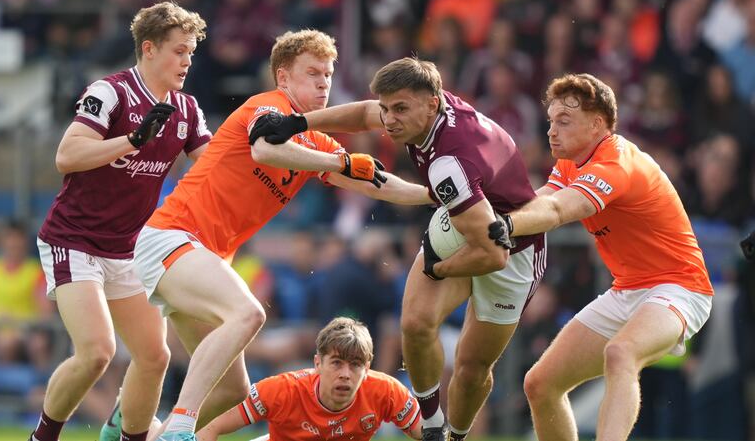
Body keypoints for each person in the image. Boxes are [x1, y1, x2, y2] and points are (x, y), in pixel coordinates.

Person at [126, 31, 431, 441]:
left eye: (328, 74)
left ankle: (142, 431)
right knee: (249, 314)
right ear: (283, 77)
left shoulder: (314, 141)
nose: (324, 82)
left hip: (201, 256)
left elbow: (379, 184)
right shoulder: (269, 106)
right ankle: (180, 425)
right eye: (313, 73)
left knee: (233, 393)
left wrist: (439, 197)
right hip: (171, 237)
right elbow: (265, 149)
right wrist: (338, 160)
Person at [250, 57, 547, 441]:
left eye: (400, 109)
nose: (389, 120)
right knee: (414, 323)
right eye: (388, 108)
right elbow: (365, 113)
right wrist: (299, 122)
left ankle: (457, 435)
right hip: (464, 214)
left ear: (432, 103)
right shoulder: (430, 107)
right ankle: (432, 426)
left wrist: (436, 269)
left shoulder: (448, 164)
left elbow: (493, 254)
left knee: (472, 369)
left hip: (514, 250)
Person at [487, 73, 713, 441]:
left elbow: (559, 210)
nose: (551, 131)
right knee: (540, 384)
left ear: (597, 124)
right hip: (627, 291)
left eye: (564, 121)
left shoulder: (616, 162)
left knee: (621, 353)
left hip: (679, 288)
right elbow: (541, 200)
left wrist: (508, 224)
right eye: (550, 121)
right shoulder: (571, 162)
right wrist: (484, 209)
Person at [31, 2, 211, 441]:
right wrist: (130, 141)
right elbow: (66, 157)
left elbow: (213, 173)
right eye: (179, 51)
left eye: (191, 52)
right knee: (97, 352)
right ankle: (42, 436)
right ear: (148, 49)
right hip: (73, 241)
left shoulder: (187, 109)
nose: (188, 61)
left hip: (129, 249)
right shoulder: (110, 92)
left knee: (154, 357)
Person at [195, 316, 422, 441]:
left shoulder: (387, 391)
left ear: (367, 368)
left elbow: (430, 434)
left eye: (355, 365)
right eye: (336, 363)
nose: (345, 373)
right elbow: (210, 427)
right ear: (317, 364)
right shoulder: (281, 390)